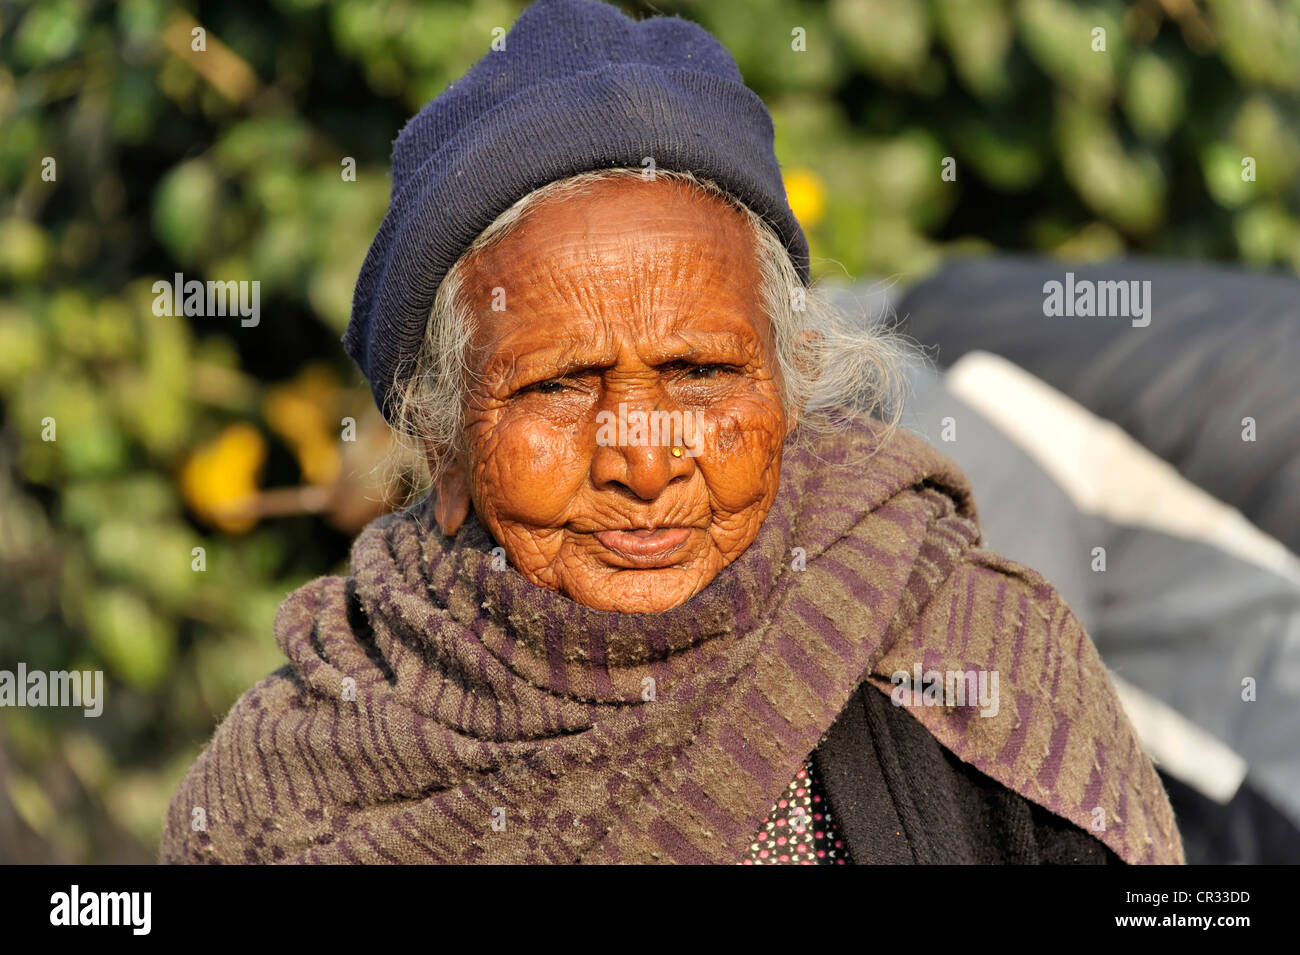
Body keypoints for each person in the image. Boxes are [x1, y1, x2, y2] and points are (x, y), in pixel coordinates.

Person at [160, 0, 1182, 865]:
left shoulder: (967, 650)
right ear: (447, 447)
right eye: (561, 386)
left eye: (699, 373)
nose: (645, 459)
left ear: (786, 394)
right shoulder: (308, 774)